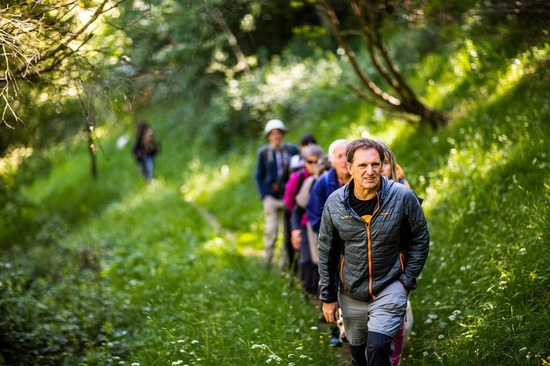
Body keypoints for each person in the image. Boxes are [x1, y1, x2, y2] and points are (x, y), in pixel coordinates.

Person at [318, 138, 430, 366]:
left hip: (390, 286)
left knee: (378, 347)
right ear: (349, 167)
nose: (370, 171)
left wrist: (406, 281)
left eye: (375, 164)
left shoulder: (403, 197)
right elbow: (327, 252)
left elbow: (421, 238)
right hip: (351, 292)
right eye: (362, 165)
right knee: (359, 355)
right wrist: (328, 297)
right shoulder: (334, 204)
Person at [305, 138, 350, 346]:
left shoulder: (362, 179)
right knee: (331, 284)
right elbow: (314, 214)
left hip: (355, 249)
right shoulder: (323, 183)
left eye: (347, 155)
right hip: (332, 246)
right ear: (331, 161)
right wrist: (327, 237)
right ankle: (335, 330)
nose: (344, 160)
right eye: (339, 156)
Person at [254, 119, 300, 269]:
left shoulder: (292, 150)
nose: (276, 136)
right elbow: (259, 176)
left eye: (278, 133)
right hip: (271, 197)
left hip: (287, 196)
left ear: (282, 134)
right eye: (272, 134)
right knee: (271, 230)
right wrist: (265, 194)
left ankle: (284, 264)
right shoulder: (264, 153)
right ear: (268, 136)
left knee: (287, 230)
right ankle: (267, 261)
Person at [284, 144, 325, 296]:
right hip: (301, 221)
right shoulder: (298, 178)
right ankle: (308, 291)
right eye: (310, 162)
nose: (314, 165)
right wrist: (295, 229)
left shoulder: (324, 177)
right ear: (304, 162)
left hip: (318, 223)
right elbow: (290, 203)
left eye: (317, 161)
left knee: (317, 260)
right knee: (307, 259)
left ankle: (315, 292)